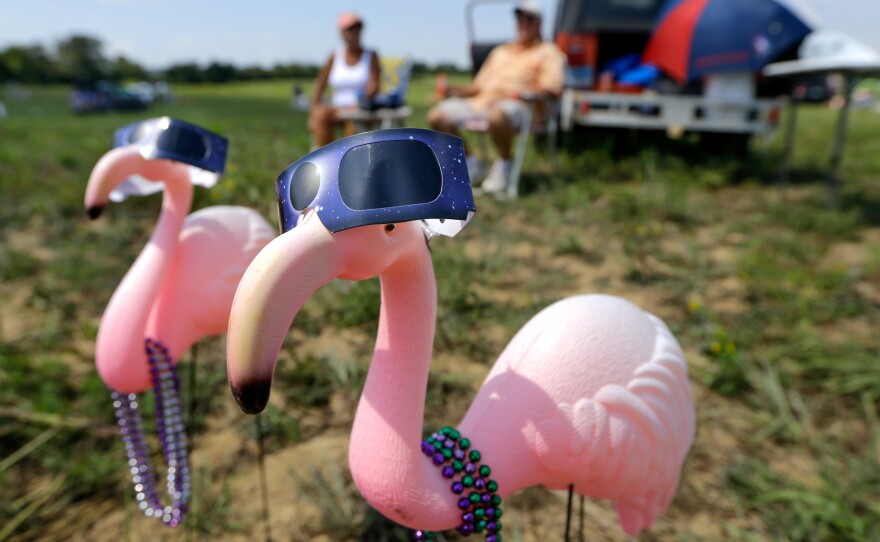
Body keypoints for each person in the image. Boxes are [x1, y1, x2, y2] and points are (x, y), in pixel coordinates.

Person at [427, 0, 565, 194]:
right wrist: (451, 89)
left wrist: (525, 93)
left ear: (539, 23)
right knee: (437, 115)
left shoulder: (549, 52)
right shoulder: (500, 52)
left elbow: (553, 89)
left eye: (529, 19)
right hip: (481, 103)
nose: (523, 23)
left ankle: (504, 166)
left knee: (496, 114)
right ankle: (472, 163)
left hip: (522, 106)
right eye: (520, 18)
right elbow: (476, 88)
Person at [308, 11, 381, 147]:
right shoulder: (335, 55)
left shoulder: (371, 55)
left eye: (358, 27)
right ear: (341, 33)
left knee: (353, 119)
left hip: (360, 108)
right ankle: (327, 157)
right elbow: (320, 83)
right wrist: (314, 110)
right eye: (350, 29)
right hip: (336, 107)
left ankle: (350, 161)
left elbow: (374, 86)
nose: (355, 32)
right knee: (320, 115)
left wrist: (358, 103)